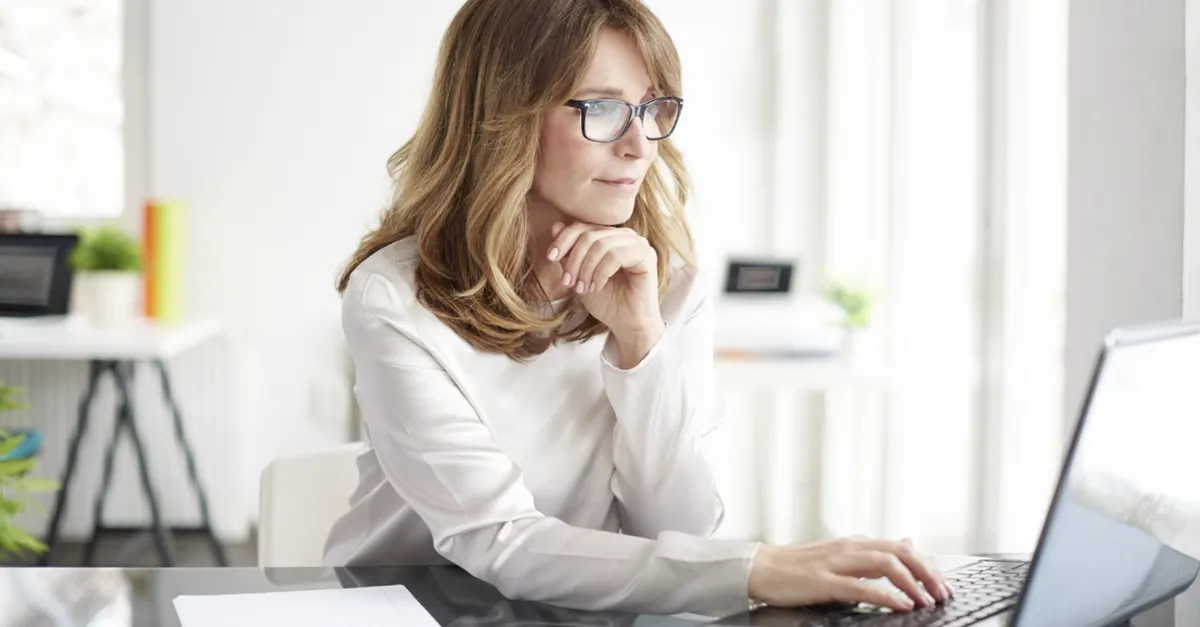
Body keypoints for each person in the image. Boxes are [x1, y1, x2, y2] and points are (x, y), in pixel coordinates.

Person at [324, 0, 950, 617]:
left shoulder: (668, 283)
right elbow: (499, 540)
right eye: (601, 108)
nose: (639, 143)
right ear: (501, 118)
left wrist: (642, 343)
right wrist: (762, 567)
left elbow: (677, 530)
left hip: (574, 609)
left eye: (652, 109)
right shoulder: (394, 298)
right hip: (409, 606)